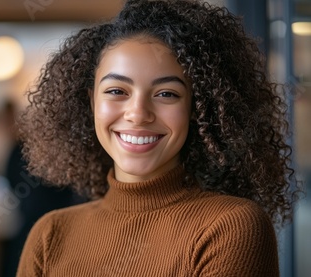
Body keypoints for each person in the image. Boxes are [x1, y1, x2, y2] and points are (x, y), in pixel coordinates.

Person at [16, 0, 300, 276]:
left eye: (167, 94)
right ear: (91, 103)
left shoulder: (231, 227)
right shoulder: (50, 235)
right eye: (117, 91)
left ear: (196, 108)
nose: (138, 114)